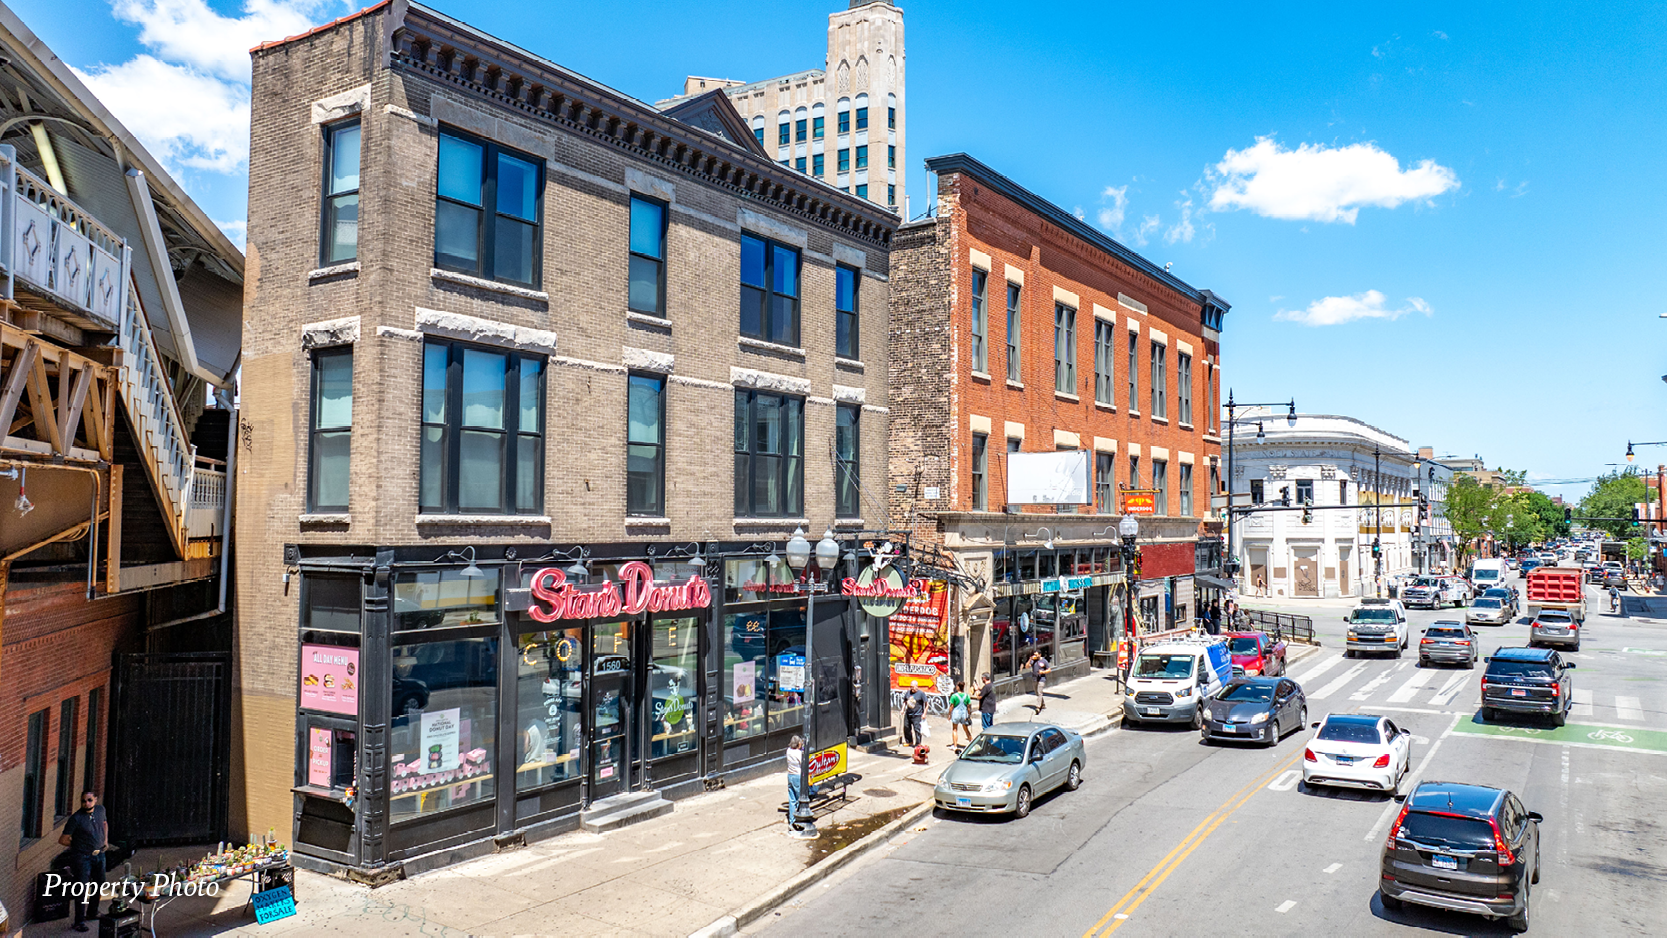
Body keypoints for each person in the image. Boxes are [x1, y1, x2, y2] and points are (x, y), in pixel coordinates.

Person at [61, 790, 108, 931]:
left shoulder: (100, 810)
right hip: (83, 857)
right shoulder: (76, 818)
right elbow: (63, 839)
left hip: (99, 854)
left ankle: (92, 912)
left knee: (99, 883)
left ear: (95, 800)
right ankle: (79, 921)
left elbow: (105, 824)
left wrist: (105, 840)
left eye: (89, 800)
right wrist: (77, 846)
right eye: (83, 801)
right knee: (82, 888)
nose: (86, 803)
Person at [784, 736, 805, 829]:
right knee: (799, 798)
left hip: (790, 775)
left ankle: (792, 820)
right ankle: (799, 819)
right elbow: (803, 763)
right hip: (797, 776)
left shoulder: (788, 751)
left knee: (791, 799)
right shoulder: (798, 753)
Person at [947, 681, 973, 748]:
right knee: (966, 729)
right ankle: (972, 744)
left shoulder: (954, 696)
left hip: (956, 713)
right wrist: (969, 714)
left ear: (958, 687)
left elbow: (951, 706)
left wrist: (949, 714)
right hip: (964, 714)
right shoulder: (967, 696)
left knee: (955, 729)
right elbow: (968, 706)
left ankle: (955, 745)